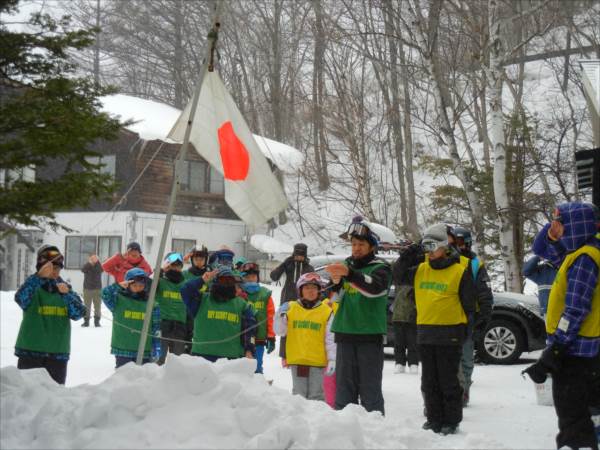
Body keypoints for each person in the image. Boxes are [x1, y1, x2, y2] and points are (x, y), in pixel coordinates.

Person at [523, 202, 599, 450]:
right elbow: (551, 253)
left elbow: (575, 309)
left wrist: (555, 349)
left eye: (559, 223)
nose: (554, 228)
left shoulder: (586, 258)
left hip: (576, 351)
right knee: (587, 413)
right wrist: (554, 238)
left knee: (573, 418)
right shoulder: (584, 251)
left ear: (576, 226)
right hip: (585, 350)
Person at [394, 223, 476, 435]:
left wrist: (466, 331)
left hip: (450, 334)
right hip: (425, 334)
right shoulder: (421, 269)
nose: (429, 252)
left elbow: (469, 305)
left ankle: (451, 420)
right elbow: (398, 275)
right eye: (426, 247)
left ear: (444, 246)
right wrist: (412, 251)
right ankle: (433, 418)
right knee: (429, 382)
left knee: (448, 381)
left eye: (433, 246)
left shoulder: (460, 271)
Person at [325, 216, 392, 415]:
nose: (356, 248)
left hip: (369, 336)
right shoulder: (347, 266)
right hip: (345, 333)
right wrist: (335, 282)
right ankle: (344, 436)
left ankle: (375, 435)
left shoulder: (381, 268)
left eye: (361, 244)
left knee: (370, 392)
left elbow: (374, 289)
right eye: (353, 244)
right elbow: (334, 298)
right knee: (344, 394)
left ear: (372, 246)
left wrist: (349, 274)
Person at [14, 245, 86, 384]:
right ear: (40, 267)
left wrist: (66, 295)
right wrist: (38, 277)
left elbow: (79, 314)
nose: (54, 271)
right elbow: (20, 298)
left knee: (55, 399)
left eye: (57, 268)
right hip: (30, 352)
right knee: (26, 398)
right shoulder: (32, 286)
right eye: (50, 267)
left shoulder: (64, 288)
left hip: (58, 354)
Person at [448, 226, 493, 406]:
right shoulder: (448, 261)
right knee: (450, 357)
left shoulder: (475, 264)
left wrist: (485, 313)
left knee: (466, 356)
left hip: (468, 316)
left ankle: (464, 390)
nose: (460, 247)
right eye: (456, 243)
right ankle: (452, 391)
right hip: (449, 314)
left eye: (462, 243)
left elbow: (484, 291)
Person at [274, 272, 335, 401]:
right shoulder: (291, 308)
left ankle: (317, 421)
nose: (311, 291)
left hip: (317, 361)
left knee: (317, 396)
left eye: (314, 288)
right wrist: (279, 315)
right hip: (298, 360)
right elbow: (280, 331)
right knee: (299, 397)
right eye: (307, 288)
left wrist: (332, 359)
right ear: (300, 290)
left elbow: (331, 339)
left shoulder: (326, 311)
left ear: (319, 290)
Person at [180, 266, 257, 362]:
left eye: (229, 281)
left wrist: (249, 350)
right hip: (201, 358)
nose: (226, 284)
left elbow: (250, 330)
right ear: (215, 281)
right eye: (222, 280)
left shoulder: (242, 305)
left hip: (230, 359)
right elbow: (184, 290)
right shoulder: (201, 300)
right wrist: (202, 280)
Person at [101, 267, 161, 368]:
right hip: (123, 350)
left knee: (142, 381)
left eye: (141, 285)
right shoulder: (118, 300)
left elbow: (156, 328)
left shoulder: (152, 304)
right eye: (135, 285)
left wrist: (156, 347)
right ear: (128, 285)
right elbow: (104, 294)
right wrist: (118, 286)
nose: (138, 288)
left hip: (144, 350)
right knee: (123, 380)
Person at [270, 243, 314, 363]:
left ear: (305, 255)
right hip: (287, 300)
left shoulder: (309, 268)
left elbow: (313, 285)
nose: (299, 257)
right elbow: (273, 277)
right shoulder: (288, 265)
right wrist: (284, 264)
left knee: (300, 327)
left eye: (301, 255)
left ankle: (299, 353)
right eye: (297, 254)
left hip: (303, 302)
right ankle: (285, 356)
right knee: (285, 327)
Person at [240, 262, 276, 374]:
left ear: (258, 277)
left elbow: (270, 316)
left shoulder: (265, 294)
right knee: (240, 368)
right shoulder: (239, 293)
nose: (251, 279)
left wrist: (271, 336)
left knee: (256, 367)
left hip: (259, 339)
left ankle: (258, 387)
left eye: (253, 276)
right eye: (247, 277)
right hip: (241, 339)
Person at [156, 252, 188, 365]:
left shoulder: (185, 284)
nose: (175, 268)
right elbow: (148, 286)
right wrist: (160, 271)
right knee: (159, 360)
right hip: (162, 324)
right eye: (173, 265)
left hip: (180, 326)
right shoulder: (159, 282)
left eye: (178, 266)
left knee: (177, 362)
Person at [182, 245, 209, 353]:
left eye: (201, 259)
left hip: (203, 314)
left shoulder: (209, 276)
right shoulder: (185, 275)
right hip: (186, 315)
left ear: (206, 260)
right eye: (196, 259)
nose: (199, 262)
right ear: (192, 260)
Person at [391, 283, 419, 374]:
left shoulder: (416, 281)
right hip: (398, 316)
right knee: (399, 342)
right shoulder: (398, 281)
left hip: (411, 316)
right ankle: (399, 363)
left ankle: (413, 363)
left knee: (412, 342)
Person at [81, 253, 103, 327]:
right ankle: (86, 321)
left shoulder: (99, 266)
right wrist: (89, 263)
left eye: (95, 258)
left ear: (97, 259)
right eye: (92, 258)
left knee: (97, 306)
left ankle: (97, 321)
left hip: (97, 289)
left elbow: (100, 270)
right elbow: (83, 270)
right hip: (87, 288)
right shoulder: (87, 265)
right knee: (87, 306)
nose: (93, 259)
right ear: (89, 259)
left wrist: (96, 263)